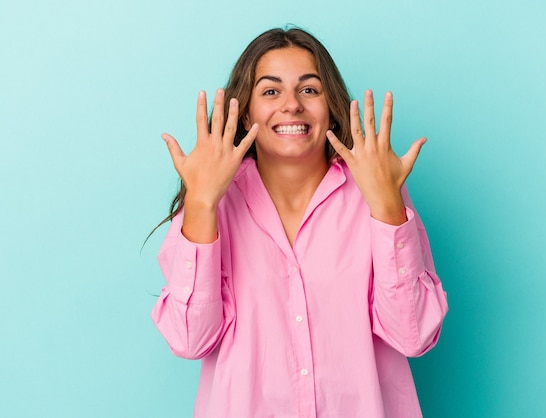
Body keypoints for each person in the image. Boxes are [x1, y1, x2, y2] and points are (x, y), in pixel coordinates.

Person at [151, 27, 448, 418]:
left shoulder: (375, 192)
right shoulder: (213, 202)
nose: (291, 105)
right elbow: (190, 340)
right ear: (246, 111)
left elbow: (414, 335)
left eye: (309, 89)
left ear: (331, 105)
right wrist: (202, 203)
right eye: (271, 91)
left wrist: (387, 204)